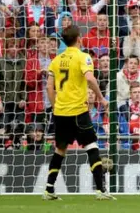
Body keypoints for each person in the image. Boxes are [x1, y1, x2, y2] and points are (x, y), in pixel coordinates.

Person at [42, 25, 114, 200]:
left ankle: (49, 189)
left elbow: (49, 86)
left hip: (60, 112)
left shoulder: (56, 60)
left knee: (60, 149)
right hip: (78, 111)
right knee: (91, 146)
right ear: (79, 38)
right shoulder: (83, 57)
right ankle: (101, 190)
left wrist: (55, 106)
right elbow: (89, 78)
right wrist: (102, 98)